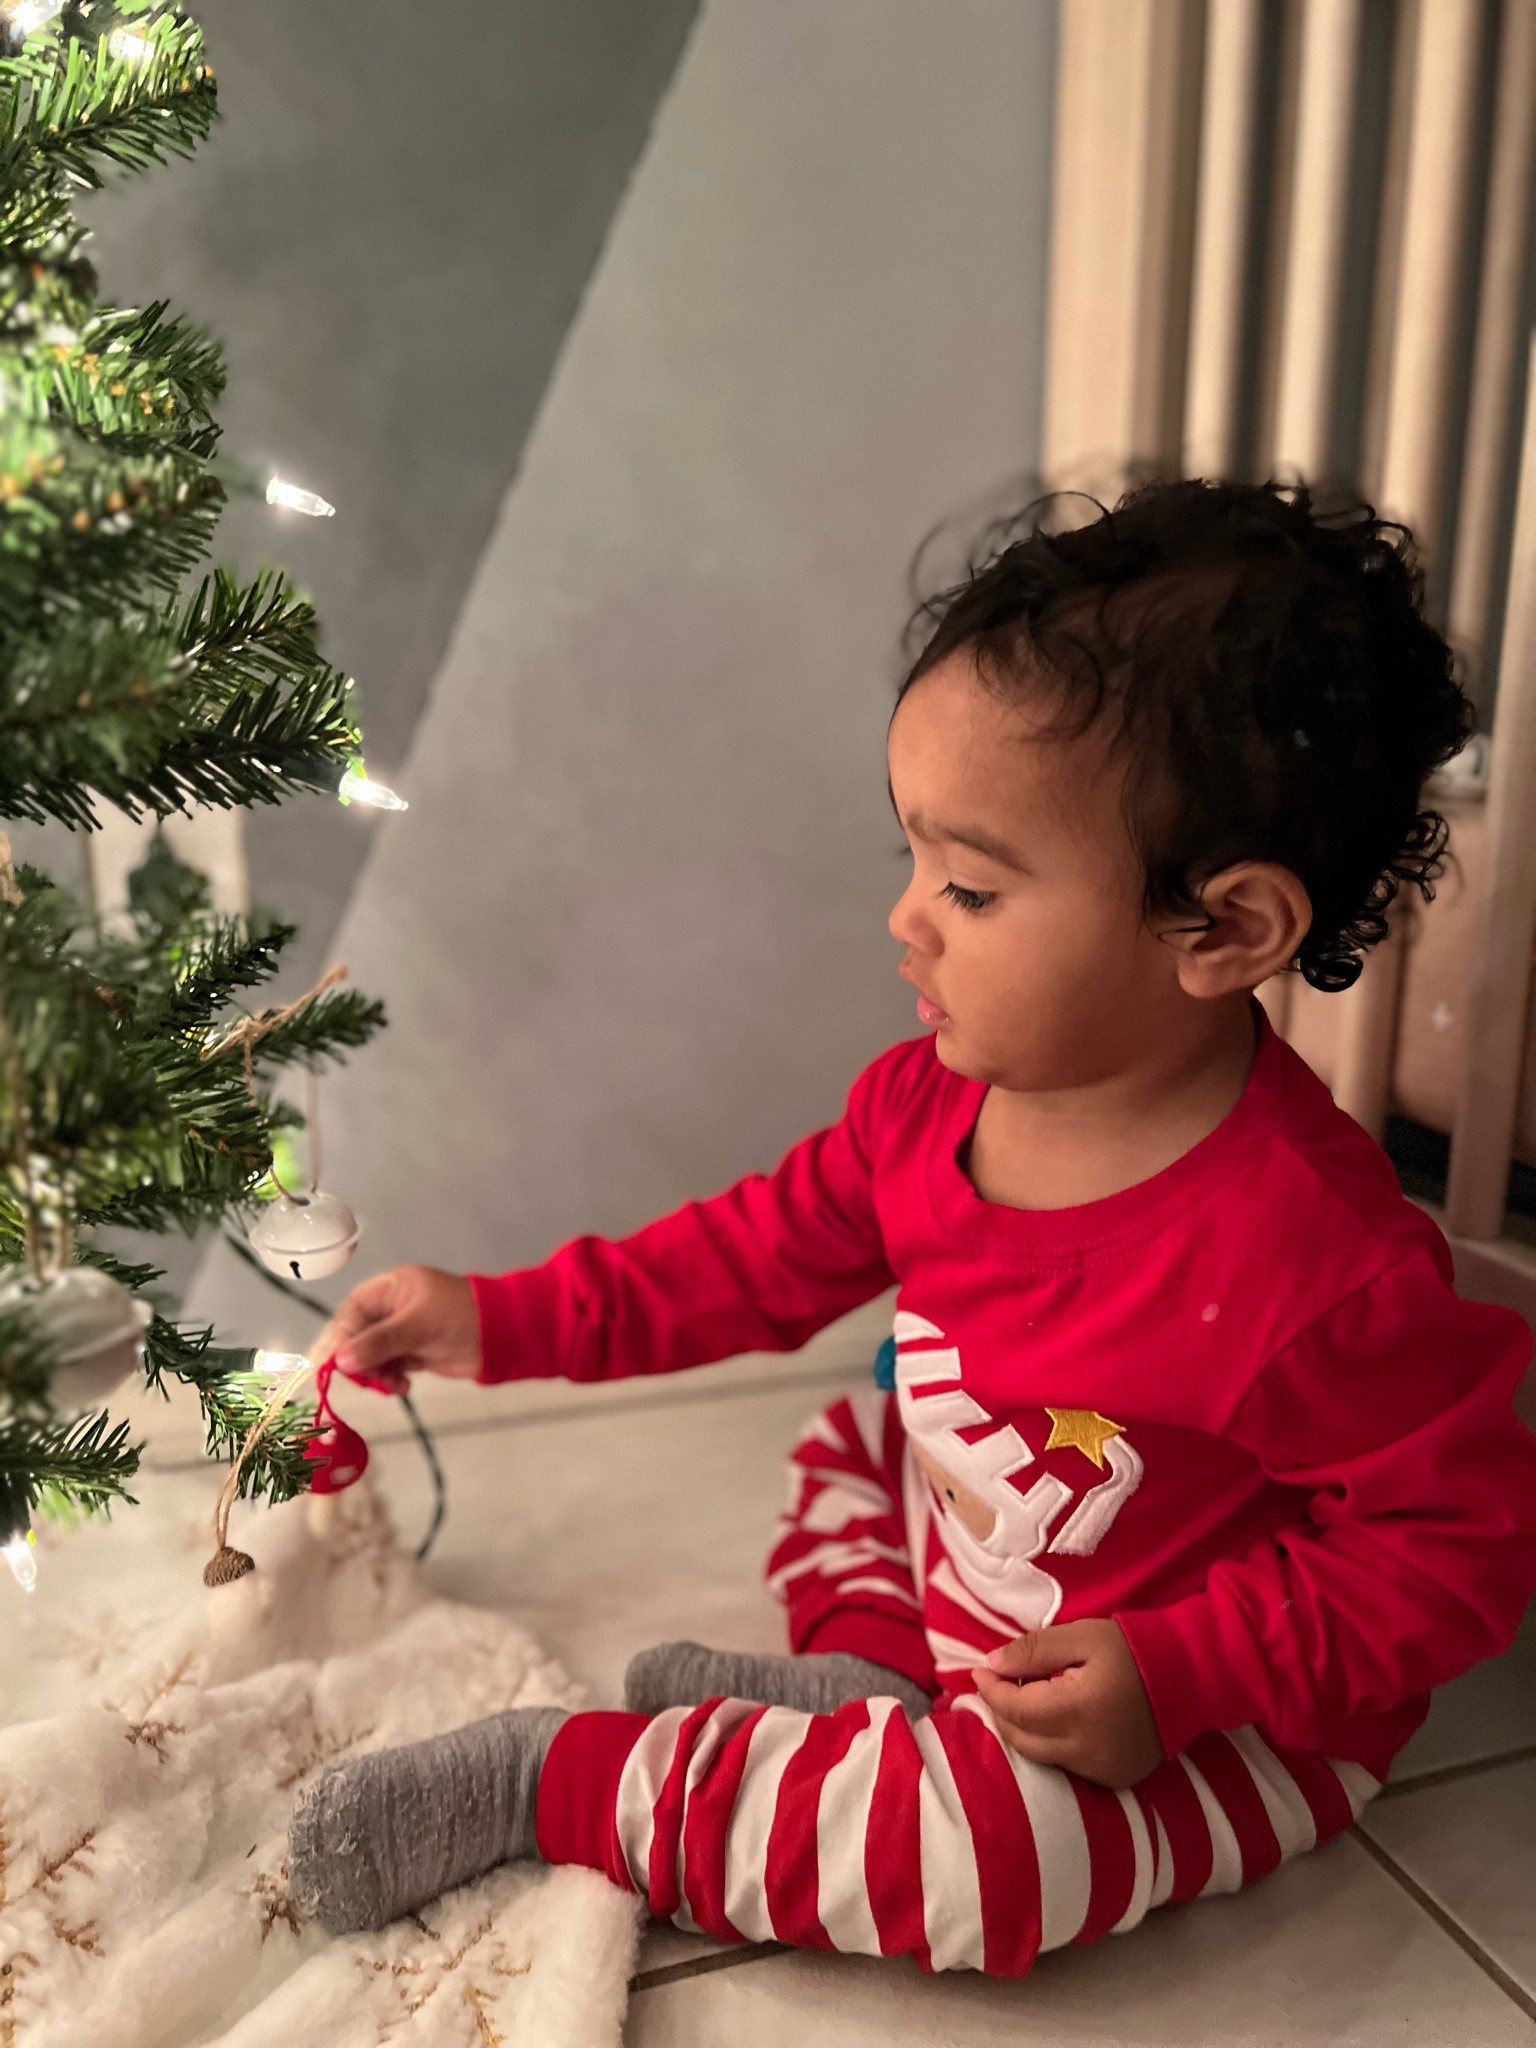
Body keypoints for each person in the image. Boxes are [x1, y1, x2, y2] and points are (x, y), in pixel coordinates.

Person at [288, 479, 1536, 1977]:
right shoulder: (921, 1110)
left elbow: (1459, 1548)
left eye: (974, 887)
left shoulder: (1311, 1261)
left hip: (1218, 1722)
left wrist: (1185, 1671)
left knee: (998, 1869)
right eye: (916, 864)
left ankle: (571, 1784)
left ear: (1222, 929)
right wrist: (499, 1318)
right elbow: (739, 1262)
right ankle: (875, 1687)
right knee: (852, 1442)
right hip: (986, 1583)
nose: (909, 920)